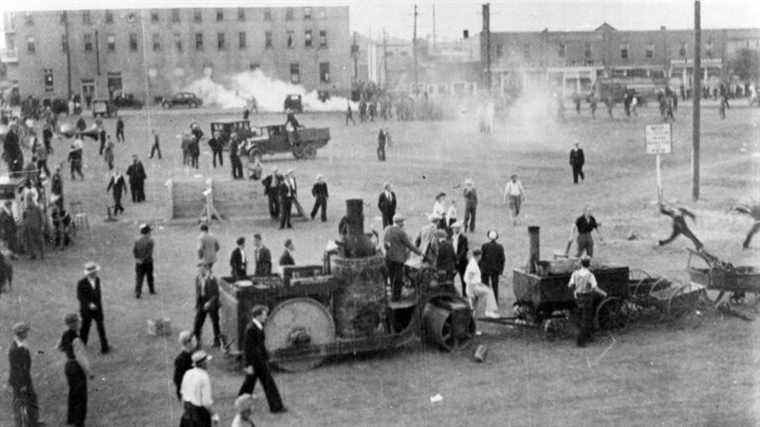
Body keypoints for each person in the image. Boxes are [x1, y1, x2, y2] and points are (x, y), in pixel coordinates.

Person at [238, 305, 286, 413]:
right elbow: (247, 349)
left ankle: (240, 402)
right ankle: (276, 407)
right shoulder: (251, 329)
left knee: (249, 384)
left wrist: (265, 358)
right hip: (256, 363)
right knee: (263, 384)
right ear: (258, 315)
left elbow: (260, 346)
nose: (266, 316)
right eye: (264, 314)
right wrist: (248, 365)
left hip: (259, 362)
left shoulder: (257, 326)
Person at [58, 313, 92, 427]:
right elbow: (80, 358)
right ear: (74, 324)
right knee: (81, 397)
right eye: (78, 321)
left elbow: (60, 347)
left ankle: (71, 418)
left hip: (68, 366)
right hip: (76, 368)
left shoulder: (65, 334)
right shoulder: (76, 338)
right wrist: (89, 371)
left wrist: (68, 351)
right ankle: (79, 423)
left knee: (73, 392)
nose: (80, 323)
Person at [568, 255, 607, 347]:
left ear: (581, 264)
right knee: (586, 320)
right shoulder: (590, 275)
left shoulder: (575, 273)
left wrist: (575, 291)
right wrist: (604, 293)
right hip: (587, 298)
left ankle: (586, 337)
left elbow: (570, 285)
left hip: (578, 298)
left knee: (580, 318)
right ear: (589, 264)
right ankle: (581, 342)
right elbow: (595, 288)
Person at [383, 215, 423, 301]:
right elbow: (409, 245)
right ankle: (396, 298)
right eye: (402, 222)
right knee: (398, 279)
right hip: (398, 259)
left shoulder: (387, 229)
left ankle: (393, 297)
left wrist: (389, 250)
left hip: (388, 258)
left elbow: (385, 244)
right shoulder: (400, 232)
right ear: (399, 222)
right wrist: (420, 253)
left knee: (391, 276)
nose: (403, 223)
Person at [9, 321, 40, 427]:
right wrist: (22, 384)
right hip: (20, 381)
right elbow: (17, 369)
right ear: (21, 333)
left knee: (31, 400)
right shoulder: (15, 349)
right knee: (20, 403)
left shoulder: (21, 344)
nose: (27, 334)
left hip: (25, 379)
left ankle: (33, 421)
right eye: (26, 332)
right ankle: (22, 424)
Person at [77, 262, 111, 354]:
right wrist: (89, 304)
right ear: (89, 273)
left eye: (95, 271)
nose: (95, 273)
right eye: (93, 272)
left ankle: (105, 347)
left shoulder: (98, 280)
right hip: (86, 311)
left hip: (98, 309)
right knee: (85, 328)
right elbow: (80, 297)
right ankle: (82, 345)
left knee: (101, 327)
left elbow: (98, 294)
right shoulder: (81, 283)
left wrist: (98, 306)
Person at [179, 350, 220, 427]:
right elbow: (206, 403)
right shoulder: (204, 377)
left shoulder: (188, 373)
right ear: (203, 363)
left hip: (187, 415)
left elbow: (183, 395)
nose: (209, 362)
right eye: (207, 361)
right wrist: (214, 415)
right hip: (200, 416)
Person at [464, 249, 500, 321]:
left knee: (474, 306)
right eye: (480, 255)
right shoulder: (473, 265)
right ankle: (489, 312)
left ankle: (471, 319)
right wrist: (471, 293)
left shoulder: (473, 262)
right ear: (479, 256)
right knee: (489, 292)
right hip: (473, 288)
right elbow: (469, 279)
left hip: (476, 286)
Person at [193, 263, 222, 348]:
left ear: (206, 269)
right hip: (202, 302)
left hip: (211, 303)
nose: (200, 271)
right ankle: (197, 341)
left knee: (215, 323)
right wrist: (197, 304)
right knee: (197, 322)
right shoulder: (198, 278)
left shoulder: (212, 279)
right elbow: (198, 292)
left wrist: (209, 303)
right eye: (199, 269)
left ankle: (217, 342)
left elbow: (216, 294)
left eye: (202, 269)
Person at [480, 230, 506, 303]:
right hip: (495, 270)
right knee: (495, 286)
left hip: (485, 269)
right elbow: (502, 259)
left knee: (485, 285)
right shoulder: (500, 247)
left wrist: (481, 268)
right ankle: (495, 301)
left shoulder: (484, 246)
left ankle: (485, 300)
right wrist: (501, 270)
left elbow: (481, 258)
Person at [133, 224, 156, 298]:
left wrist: (137, 258)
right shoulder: (150, 241)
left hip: (138, 262)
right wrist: (144, 259)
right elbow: (149, 253)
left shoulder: (137, 240)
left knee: (139, 277)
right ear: (148, 232)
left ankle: (138, 291)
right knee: (149, 276)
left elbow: (134, 250)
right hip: (148, 262)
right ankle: (151, 290)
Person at [173, 331, 197, 401]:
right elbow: (177, 379)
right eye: (194, 340)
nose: (196, 341)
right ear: (188, 343)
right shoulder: (181, 359)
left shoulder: (193, 355)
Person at [451, 222, 469, 297]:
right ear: (453, 229)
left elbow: (464, 250)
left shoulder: (463, 238)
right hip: (453, 261)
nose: (456, 230)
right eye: (455, 228)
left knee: (463, 279)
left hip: (462, 262)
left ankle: (464, 294)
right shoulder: (450, 237)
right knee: (451, 278)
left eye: (458, 228)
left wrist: (458, 259)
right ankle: (451, 294)